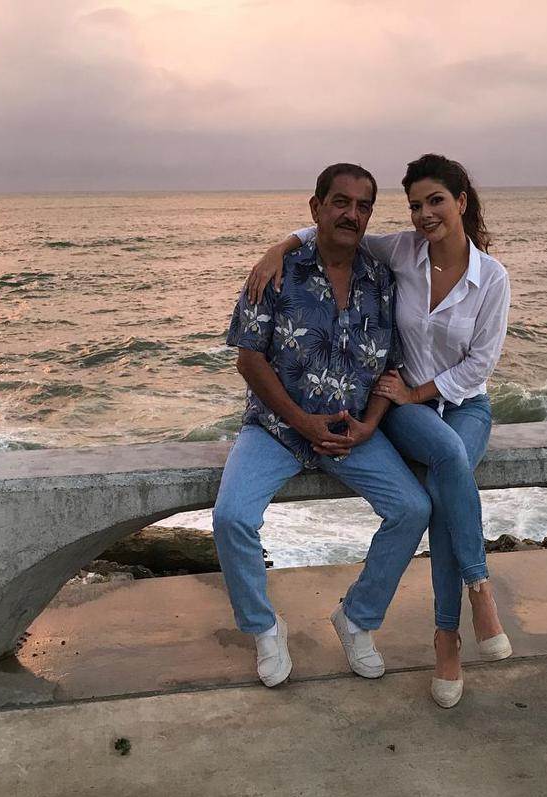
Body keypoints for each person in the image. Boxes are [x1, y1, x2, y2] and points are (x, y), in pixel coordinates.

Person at [247, 154, 511, 707]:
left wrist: (417, 392)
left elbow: (479, 366)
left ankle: (450, 633)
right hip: (409, 406)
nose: (424, 214)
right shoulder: (403, 251)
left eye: (435, 201)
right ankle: (476, 590)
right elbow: (337, 230)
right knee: (448, 463)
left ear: (462, 202)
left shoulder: (492, 278)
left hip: (463, 404)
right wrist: (279, 248)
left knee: (443, 492)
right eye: (415, 205)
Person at [215, 163, 431, 688]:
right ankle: (265, 628)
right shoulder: (275, 273)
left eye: (363, 206)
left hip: (351, 432)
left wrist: (370, 424)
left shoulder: (381, 281)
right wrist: (302, 422)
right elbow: (249, 359)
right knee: (232, 517)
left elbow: (391, 368)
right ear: (316, 207)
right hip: (276, 428)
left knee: (412, 508)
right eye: (340, 202)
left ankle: (357, 618)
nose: (351, 214)